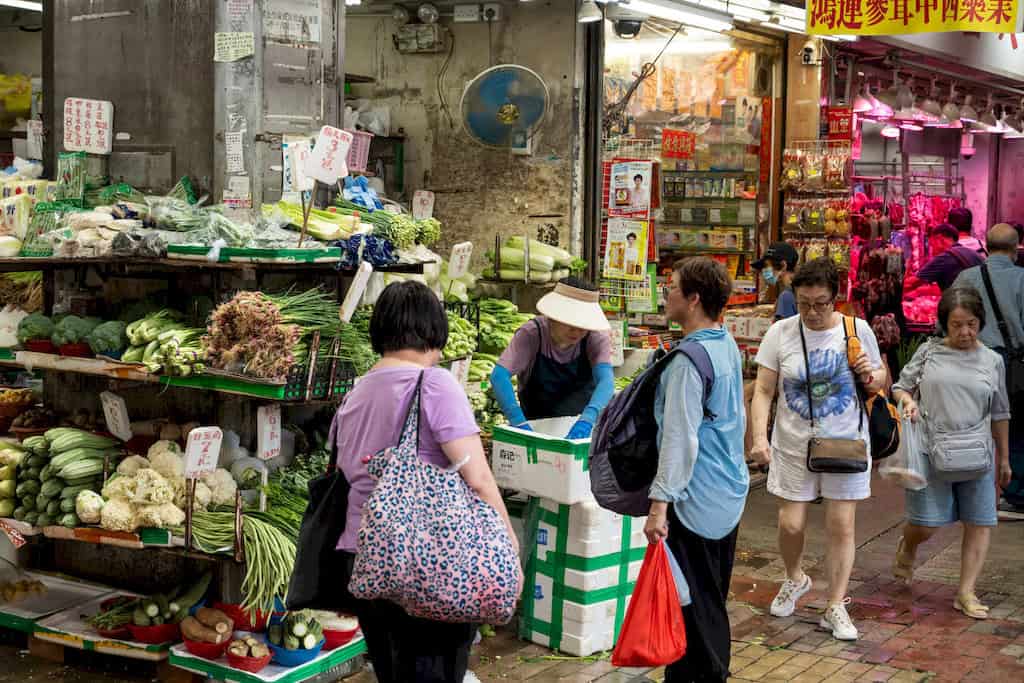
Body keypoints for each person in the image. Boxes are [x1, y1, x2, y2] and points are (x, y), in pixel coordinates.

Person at [333, 281, 516, 682]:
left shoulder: (356, 391)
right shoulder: (434, 383)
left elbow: (346, 468)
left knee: (393, 672)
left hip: (364, 557)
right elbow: (479, 478)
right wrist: (507, 541)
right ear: (435, 328)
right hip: (427, 554)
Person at [749, 258, 887, 642]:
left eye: (821, 304)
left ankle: (835, 604)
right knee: (790, 523)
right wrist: (759, 438)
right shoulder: (780, 333)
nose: (812, 312)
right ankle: (795, 578)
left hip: (846, 442)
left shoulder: (856, 330)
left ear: (835, 299)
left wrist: (870, 374)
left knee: (841, 524)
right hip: (793, 443)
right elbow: (763, 390)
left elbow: (880, 380)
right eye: (804, 303)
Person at [646, 257, 749, 682]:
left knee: (697, 612)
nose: (666, 293)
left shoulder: (688, 362)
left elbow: (680, 439)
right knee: (709, 597)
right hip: (727, 492)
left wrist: (659, 505)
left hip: (695, 499)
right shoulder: (725, 345)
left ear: (694, 299)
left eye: (672, 286)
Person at [891, 287, 1012, 618]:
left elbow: (1000, 412)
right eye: (957, 325)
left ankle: (966, 592)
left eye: (972, 324)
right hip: (931, 449)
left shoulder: (993, 361)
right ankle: (909, 544)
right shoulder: (929, 352)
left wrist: (1004, 457)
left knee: (979, 522)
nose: (965, 332)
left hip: (978, 453)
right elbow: (900, 387)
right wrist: (908, 401)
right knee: (926, 524)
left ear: (981, 322)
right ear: (945, 323)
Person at [952, 223, 1024, 513]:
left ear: (987, 246)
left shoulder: (965, 278)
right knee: (1015, 428)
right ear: (1016, 249)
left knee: (970, 427)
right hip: (1012, 365)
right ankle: (1015, 494)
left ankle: (968, 492)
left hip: (970, 362)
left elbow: (945, 322)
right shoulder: (1021, 279)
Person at [491, 277, 613, 439]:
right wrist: (518, 422)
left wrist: (588, 418)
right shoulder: (532, 334)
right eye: (570, 323)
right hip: (536, 427)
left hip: (581, 427)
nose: (577, 331)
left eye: (583, 325)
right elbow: (499, 376)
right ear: (553, 317)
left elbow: (606, 381)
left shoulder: (595, 337)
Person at [907, 223, 984, 292]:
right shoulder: (973, 253)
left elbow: (912, 283)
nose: (932, 251)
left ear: (939, 238)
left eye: (932, 245)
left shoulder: (945, 257)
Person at [752, 241, 800, 321]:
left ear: (783, 265)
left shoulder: (786, 296)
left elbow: (785, 327)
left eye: (766, 266)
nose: (763, 271)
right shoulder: (799, 289)